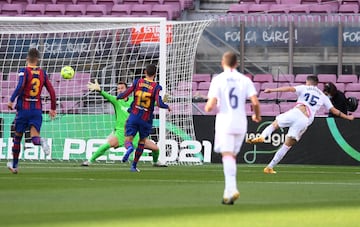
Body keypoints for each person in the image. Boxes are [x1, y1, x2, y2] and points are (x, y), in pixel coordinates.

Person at [246, 75, 354, 174]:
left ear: (308, 82)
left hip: (296, 111)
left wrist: (271, 90)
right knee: (287, 145)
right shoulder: (323, 96)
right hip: (304, 120)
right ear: (317, 84)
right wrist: (348, 117)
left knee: (274, 125)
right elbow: (334, 111)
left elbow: (288, 89)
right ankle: (269, 167)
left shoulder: (304, 87)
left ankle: (262, 136)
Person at [205, 51, 261, 205]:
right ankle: (227, 195)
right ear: (236, 63)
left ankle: (233, 188)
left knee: (227, 156)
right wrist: (257, 116)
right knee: (231, 157)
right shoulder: (245, 80)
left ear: (223, 62)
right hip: (241, 122)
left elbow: (210, 105)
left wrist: (208, 107)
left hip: (225, 121)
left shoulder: (218, 80)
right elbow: (255, 102)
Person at [82, 80, 167, 167]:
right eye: (118, 89)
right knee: (106, 146)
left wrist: (161, 102)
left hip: (135, 134)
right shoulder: (117, 100)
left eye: (122, 88)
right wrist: (100, 90)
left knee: (155, 149)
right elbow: (108, 96)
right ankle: (89, 161)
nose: (120, 90)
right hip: (121, 133)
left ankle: (155, 162)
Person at [7, 48, 56, 174]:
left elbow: (20, 86)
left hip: (24, 109)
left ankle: (15, 165)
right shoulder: (43, 73)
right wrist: (53, 108)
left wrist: (11, 100)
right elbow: (51, 91)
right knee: (35, 139)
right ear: (38, 59)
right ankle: (42, 141)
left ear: (27, 59)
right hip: (37, 109)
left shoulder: (24, 71)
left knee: (17, 137)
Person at [117, 64, 171, 172]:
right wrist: (167, 106)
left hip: (134, 115)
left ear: (145, 72)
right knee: (142, 142)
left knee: (128, 139)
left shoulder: (137, 82)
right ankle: (134, 166)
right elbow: (159, 104)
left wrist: (119, 96)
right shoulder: (156, 87)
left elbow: (127, 92)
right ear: (155, 74)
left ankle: (130, 148)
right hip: (146, 119)